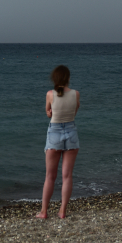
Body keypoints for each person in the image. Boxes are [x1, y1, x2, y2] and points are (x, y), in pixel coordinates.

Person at [36, 65, 80, 219]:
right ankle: (62, 211)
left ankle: (44, 211)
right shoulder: (76, 94)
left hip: (55, 132)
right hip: (71, 132)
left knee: (50, 176)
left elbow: (49, 113)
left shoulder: (50, 94)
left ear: (54, 79)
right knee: (67, 176)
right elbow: (74, 112)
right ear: (68, 78)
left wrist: (50, 112)